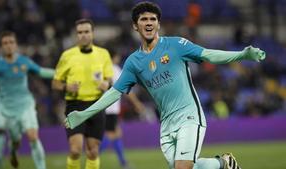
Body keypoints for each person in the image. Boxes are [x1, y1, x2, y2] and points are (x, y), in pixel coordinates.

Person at [65, 2, 266, 169]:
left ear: (158, 24)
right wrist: (84, 114)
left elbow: (208, 54)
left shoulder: (177, 44)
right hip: (166, 125)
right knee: (189, 166)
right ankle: (223, 163)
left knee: (182, 167)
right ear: (135, 26)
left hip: (190, 116)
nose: (149, 22)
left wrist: (242, 54)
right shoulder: (133, 62)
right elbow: (113, 94)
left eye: (153, 19)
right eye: (144, 19)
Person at [0, 31, 55, 169]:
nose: (9, 46)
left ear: (16, 44)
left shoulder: (24, 61)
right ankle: (13, 151)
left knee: (33, 136)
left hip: (26, 105)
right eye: (5, 43)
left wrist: (60, 73)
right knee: (16, 141)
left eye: (11, 42)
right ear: (1, 46)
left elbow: (41, 71)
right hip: (8, 110)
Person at [52, 18, 114, 169]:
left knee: (93, 152)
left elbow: (110, 80)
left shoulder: (103, 54)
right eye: (80, 32)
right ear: (76, 35)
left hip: (97, 105)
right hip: (75, 105)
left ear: (92, 33)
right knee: (75, 150)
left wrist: (107, 84)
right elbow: (55, 83)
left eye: (86, 32)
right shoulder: (67, 55)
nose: (83, 35)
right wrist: (67, 87)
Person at [99, 50, 145, 169]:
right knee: (111, 135)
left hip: (104, 107)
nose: (119, 58)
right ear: (114, 57)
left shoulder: (101, 68)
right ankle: (93, 157)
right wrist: (137, 103)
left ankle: (123, 162)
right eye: (118, 56)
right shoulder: (114, 69)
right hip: (111, 108)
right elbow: (126, 89)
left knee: (117, 133)